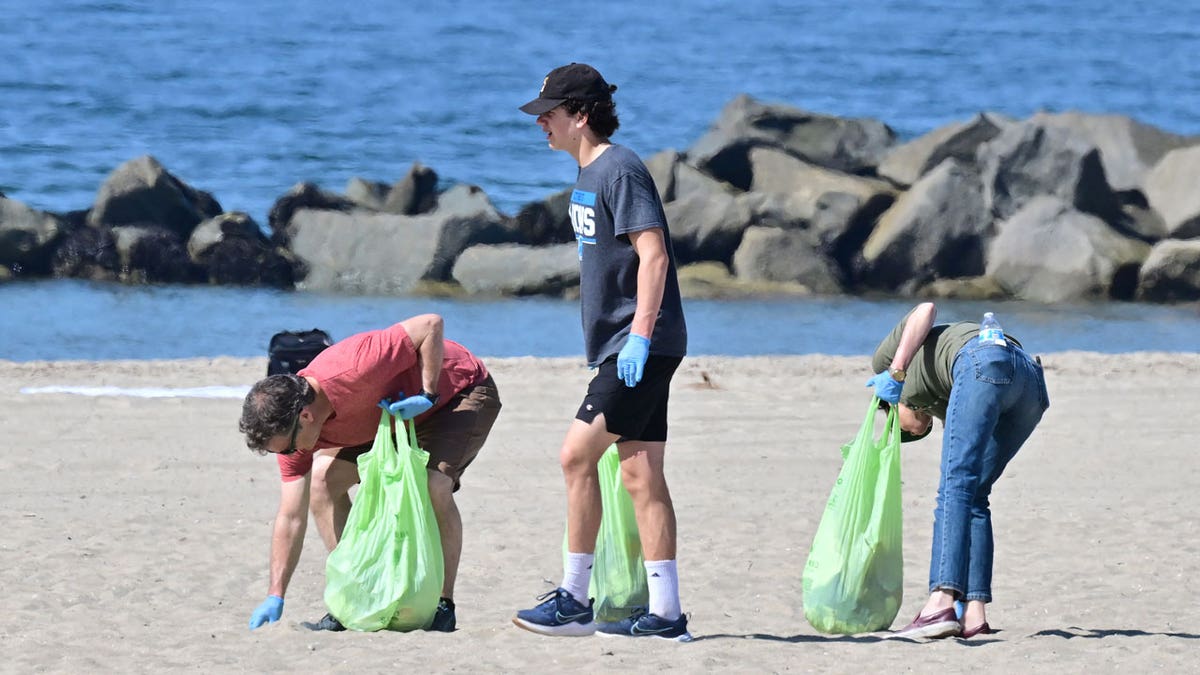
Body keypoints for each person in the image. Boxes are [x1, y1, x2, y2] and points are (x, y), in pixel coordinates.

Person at [511, 63, 691, 641]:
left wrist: (638, 336)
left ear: (581, 115)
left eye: (550, 113)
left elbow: (654, 255)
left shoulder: (620, 168)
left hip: (640, 345)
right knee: (640, 475)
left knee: (575, 456)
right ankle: (666, 615)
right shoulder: (587, 175)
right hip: (631, 344)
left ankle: (573, 599)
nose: (541, 123)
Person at [239, 314, 501, 632]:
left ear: (305, 416)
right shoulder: (292, 434)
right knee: (322, 482)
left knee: (433, 484)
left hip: (459, 392)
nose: (288, 456)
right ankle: (359, 590)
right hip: (388, 416)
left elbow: (430, 324)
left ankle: (443, 604)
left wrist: (428, 394)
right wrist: (275, 594)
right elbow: (291, 516)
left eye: (286, 448)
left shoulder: (355, 367)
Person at [867, 302, 1049, 639]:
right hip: (1028, 385)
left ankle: (940, 602)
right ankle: (974, 615)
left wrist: (896, 370)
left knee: (956, 486)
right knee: (975, 494)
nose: (911, 431)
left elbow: (926, 309)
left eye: (901, 428)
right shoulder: (939, 398)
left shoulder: (886, 368)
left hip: (982, 359)